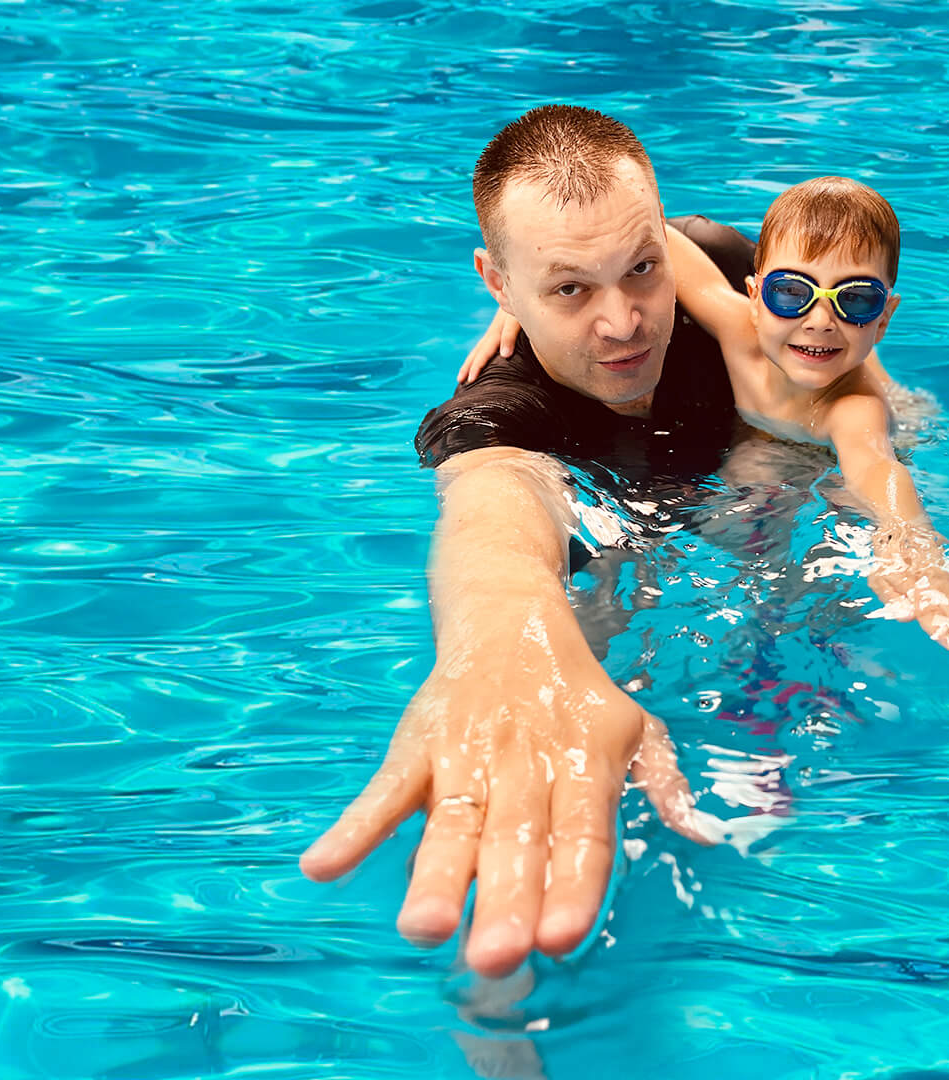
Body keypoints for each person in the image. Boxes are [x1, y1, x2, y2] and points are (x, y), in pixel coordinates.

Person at [299, 105, 757, 980]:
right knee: (540, 730)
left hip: (725, 520)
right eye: (569, 288)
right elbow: (492, 504)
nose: (624, 323)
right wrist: (508, 630)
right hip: (607, 550)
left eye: (640, 271)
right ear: (496, 285)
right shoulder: (501, 412)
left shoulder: (724, 269)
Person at [461, 177, 949, 653]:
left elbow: (876, 469)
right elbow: (658, 234)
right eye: (792, 292)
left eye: (857, 301)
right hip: (769, 435)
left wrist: (920, 550)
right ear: (753, 295)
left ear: (885, 316)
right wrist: (521, 301)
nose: (821, 320)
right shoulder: (738, 331)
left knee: (806, 549)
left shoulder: (853, 407)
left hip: (843, 444)